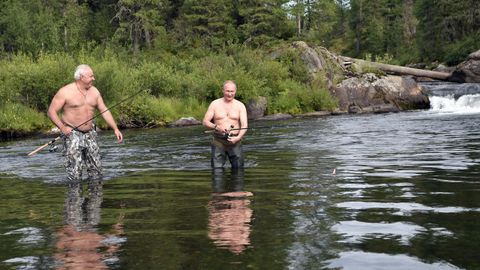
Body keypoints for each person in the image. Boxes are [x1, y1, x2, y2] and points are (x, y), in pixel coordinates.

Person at [47, 64, 123, 181]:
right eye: (91, 76)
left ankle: (96, 197)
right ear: (81, 77)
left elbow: (104, 110)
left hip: (90, 134)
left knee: (96, 171)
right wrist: (62, 128)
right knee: (75, 173)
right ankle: (75, 197)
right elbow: (51, 112)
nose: (94, 78)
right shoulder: (65, 92)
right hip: (72, 134)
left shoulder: (95, 92)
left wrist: (115, 128)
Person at [202, 80, 248, 168]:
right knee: (217, 171)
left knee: (238, 170)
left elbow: (244, 126)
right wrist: (216, 126)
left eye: (232, 91)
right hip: (218, 141)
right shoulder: (214, 104)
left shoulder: (240, 106)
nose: (230, 94)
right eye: (227, 91)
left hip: (235, 141)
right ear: (223, 90)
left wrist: (238, 138)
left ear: (235, 91)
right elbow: (205, 121)